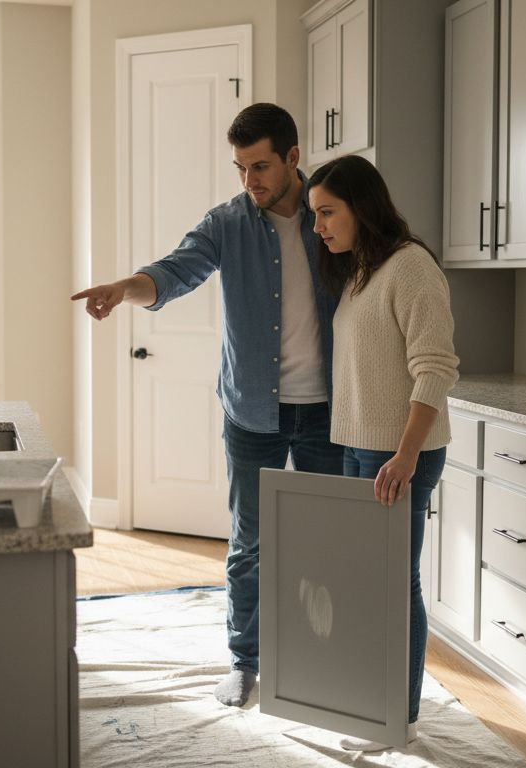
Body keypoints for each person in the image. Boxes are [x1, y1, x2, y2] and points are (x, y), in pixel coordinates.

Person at [71, 103, 344, 708]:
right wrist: (124, 290)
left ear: (294, 158)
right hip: (252, 412)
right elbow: (175, 271)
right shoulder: (228, 223)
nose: (251, 181)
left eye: (262, 166)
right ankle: (246, 663)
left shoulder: (331, 214)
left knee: (327, 540)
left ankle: (322, 662)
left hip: (328, 410)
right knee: (250, 542)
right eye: (242, 168)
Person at [306, 154, 460, 751]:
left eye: (327, 212)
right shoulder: (363, 271)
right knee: (368, 581)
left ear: (361, 207)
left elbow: (436, 368)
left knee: (394, 583)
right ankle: (368, 701)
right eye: (315, 213)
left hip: (395, 455)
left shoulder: (411, 267)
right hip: (358, 448)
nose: (318, 226)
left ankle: (397, 718)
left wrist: (404, 456)